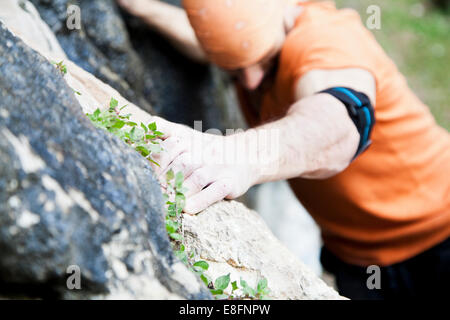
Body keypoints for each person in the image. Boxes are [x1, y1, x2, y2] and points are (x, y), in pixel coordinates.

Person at [117, 0, 450, 299]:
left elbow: (339, 123)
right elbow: (222, 45)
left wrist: (242, 156)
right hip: (358, 261)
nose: (249, 82)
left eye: (265, 61)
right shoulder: (261, 33)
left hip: (440, 233)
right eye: (234, 71)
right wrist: (142, 7)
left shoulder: (325, 38)